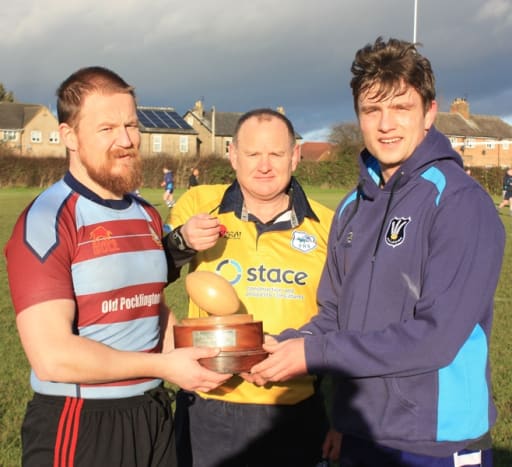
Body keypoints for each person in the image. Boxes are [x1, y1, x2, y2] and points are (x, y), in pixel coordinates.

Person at [248, 37, 506, 466]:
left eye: (401, 108)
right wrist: (282, 347)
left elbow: (436, 338)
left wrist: (313, 355)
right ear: (359, 117)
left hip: (436, 442)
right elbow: (333, 315)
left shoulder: (459, 202)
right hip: (361, 431)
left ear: (429, 113)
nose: (386, 124)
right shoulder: (352, 207)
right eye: (372, 110)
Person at [4, 66, 230, 467]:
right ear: (69, 136)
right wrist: (163, 366)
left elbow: (151, 309)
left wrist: (228, 352)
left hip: (153, 413)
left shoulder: (145, 214)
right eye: (106, 128)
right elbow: (51, 356)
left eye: (131, 125)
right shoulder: (48, 221)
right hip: (81, 421)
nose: (126, 140)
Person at [163, 108, 339, 466]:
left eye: (275, 154)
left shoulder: (329, 227)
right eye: (252, 154)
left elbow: (345, 319)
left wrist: (342, 416)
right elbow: (153, 274)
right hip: (209, 405)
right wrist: (181, 241)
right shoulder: (199, 206)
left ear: (294, 157)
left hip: (295, 409)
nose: (264, 166)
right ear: (233, 156)